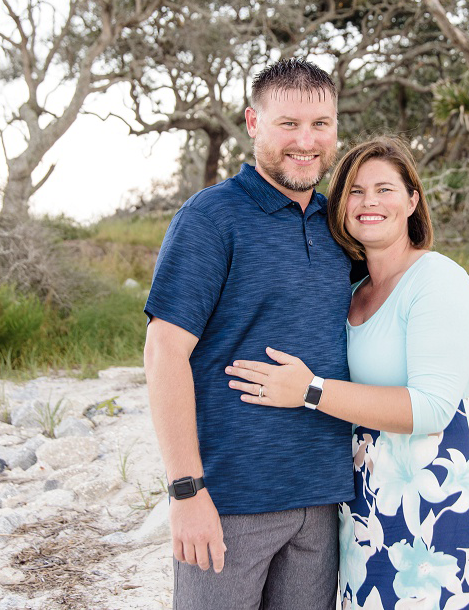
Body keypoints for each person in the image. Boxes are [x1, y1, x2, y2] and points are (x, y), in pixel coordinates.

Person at [226, 137, 469, 610]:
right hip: (370, 499)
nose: (369, 202)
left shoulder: (437, 279)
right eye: (354, 191)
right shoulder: (355, 290)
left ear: (413, 200)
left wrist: (309, 391)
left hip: (438, 494)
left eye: (385, 189)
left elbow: (433, 408)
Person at [142, 59, 354, 610]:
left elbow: (398, 296)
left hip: (324, 500)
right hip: (231, 500)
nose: (306, 141)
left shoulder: (339, 226)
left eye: (320, 124)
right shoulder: (212, 218)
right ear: (253, 123)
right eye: (288, 124)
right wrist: (187, 491)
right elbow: (164, 352)